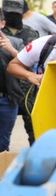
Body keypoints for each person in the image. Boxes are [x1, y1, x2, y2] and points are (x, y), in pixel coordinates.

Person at [2, 0, 39, 146]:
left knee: (34, 129)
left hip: (26, 89)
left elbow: (35, 61)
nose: (13, 16)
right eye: (9, 13)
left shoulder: (31, 33)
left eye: (16, 13)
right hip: (5, 88)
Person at [0, 9, 25, 152]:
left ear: (2, 24)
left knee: (3, 142)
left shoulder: (16, 42)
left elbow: (29, 65)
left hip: (7, 101)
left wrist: (11, 50)